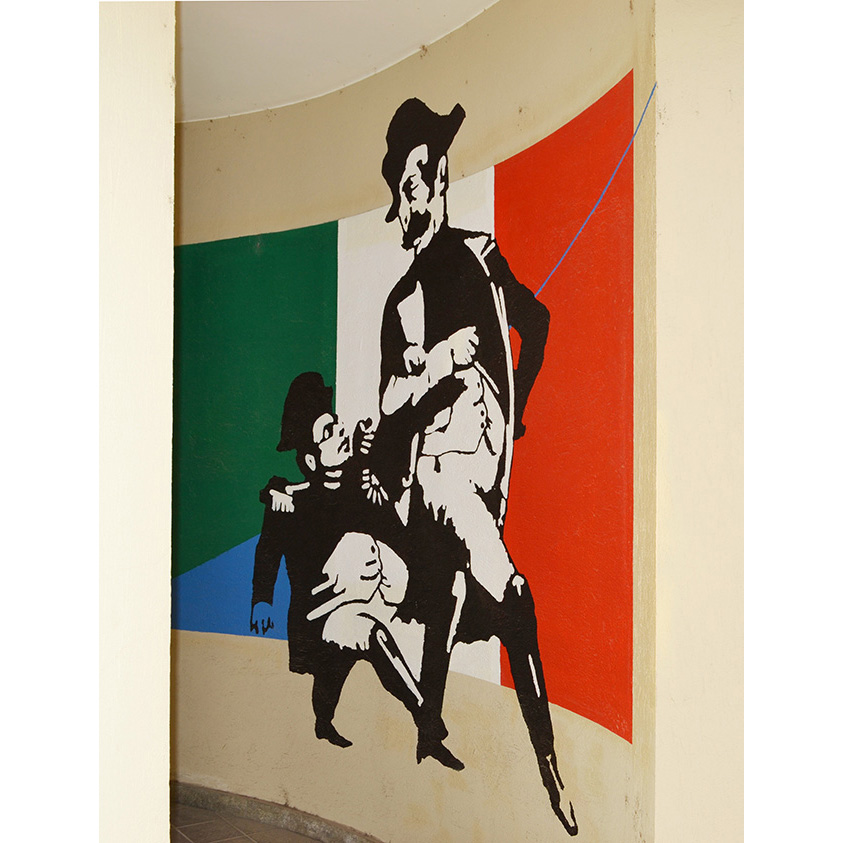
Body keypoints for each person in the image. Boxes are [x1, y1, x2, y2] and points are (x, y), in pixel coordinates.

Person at [374, 98, 578, 834]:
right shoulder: (403, 304)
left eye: (417, 182)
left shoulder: (482, 256)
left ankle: (429, 722)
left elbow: (538, 321)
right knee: (514, 595)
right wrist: (435, 363)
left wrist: (517, 404)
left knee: (465, 599)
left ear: (440, 178)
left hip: (486, 478)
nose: (409, 202)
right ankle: (552, 775)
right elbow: (390, 407)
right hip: (441, 476)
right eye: (400, 190)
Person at [250, 371, 463, 769]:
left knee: (338, 667)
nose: (340, 433)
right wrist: (262, 601)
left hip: (365, 595)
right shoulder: (289, 503)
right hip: (320, 612)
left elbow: (389, 516)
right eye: (328, 433)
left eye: (336, 425)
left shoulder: (357, 483)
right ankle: (427, 721)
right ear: (311, 459)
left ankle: (324, 722)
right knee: (359, 642)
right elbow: (267, 552)